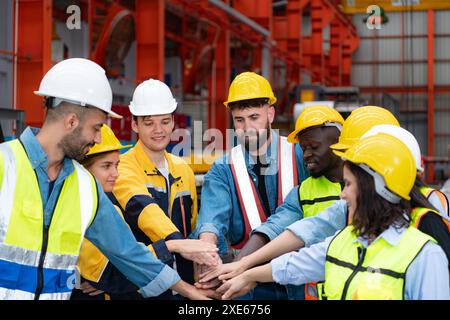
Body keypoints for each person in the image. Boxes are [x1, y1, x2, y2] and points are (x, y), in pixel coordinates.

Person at [0, 58, 211, 300]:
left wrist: (191, 293)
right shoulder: (4, 165)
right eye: (96, 127)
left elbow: (127, 252)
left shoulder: (84, 185)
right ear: (71, 121)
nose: (99, 138)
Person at [200, 110, 450, 285]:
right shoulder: (350, 226)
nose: (344, 192)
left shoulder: (427, 233)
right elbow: (307, 238)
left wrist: (245, 269)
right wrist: (245, 269)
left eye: (351, 181)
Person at [192, 72, 309, 299]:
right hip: (249, 287)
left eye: (254, 117)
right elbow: (211, 218)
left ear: (270, 114)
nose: (247, 127)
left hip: (298, 276)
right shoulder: (223, 169)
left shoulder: (299, 155)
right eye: (239, 120)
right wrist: (206, 252)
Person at [72, 125, 219, 300]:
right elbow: (115, 272)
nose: (116, 174)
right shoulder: (82, 206)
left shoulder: (106, 203)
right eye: (106, 166)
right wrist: (173, 245)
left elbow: (126, 261)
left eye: (117, 165)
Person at [112, 79, 218, 299]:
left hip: (183, 288)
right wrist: (184, 246)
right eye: (149, 123)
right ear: (134, 125)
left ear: (173, 123)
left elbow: (193, 225)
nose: (158, 130)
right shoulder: (123, 166)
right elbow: (145, 211)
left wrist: (200, 261)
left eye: (165, 121)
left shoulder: (183, 169)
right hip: (139, 286)